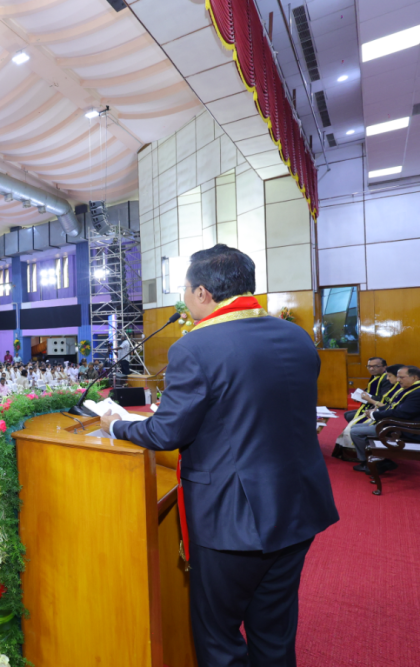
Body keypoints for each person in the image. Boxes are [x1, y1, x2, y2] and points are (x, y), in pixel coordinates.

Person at [99, 244, 338, 666]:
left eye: (185, 291)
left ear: (203, 293)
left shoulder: (196, 346)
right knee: (274, 630)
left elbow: (167, 432)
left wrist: (116, 426)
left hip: (233, 518)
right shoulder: (297, 336)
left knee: (219, 638)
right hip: (298, 505)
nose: (185, 300)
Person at [348, 365, 420, 474]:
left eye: (401, 377)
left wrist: (375, 415)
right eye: (398, 377)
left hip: (405, 428)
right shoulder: (411, 389)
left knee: (355, 432)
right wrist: (376, 411)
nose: (398, 380)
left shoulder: (417, 393)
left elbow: (401, 413)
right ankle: (380, 459)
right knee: (355, 427)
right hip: (398, 423)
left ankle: (372, 462)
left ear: (414, 378)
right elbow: (394, 406)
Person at [345, 358, 392, 422]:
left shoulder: (387, 379)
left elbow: (383, 398)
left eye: (375, 366)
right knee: (346, 414)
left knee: (349, 416)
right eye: (369, 366)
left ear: (385, 367)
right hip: (371, 405)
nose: (371, 369)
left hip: (379, 408)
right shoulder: (375, 375)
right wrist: (359, 397)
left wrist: (367, 399)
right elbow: (369, 391)